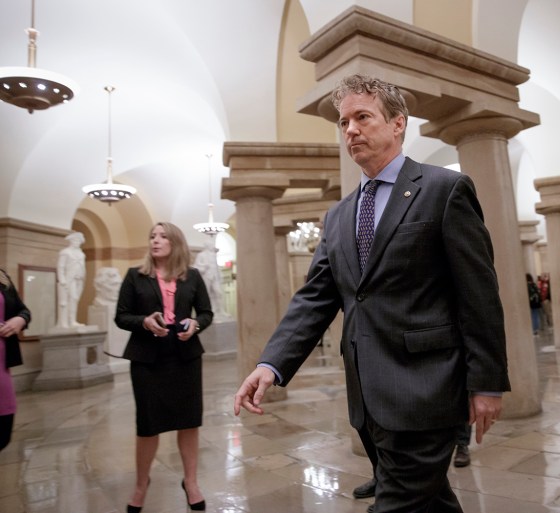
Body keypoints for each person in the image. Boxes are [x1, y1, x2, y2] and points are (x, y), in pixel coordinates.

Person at [234, 74, 510, 513]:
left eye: (363, 117)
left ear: (398, 123)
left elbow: (478, 293)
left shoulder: (443, 190)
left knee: (397, 503)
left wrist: (487, 382)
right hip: (366, 395)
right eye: (343, 122)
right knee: (431, 502)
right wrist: (271, 363)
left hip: (427, 389)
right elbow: (316, 297)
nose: (351, 130)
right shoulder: (340, 214)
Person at [116, 222, 213, 513]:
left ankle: (191, 482)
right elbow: (121, 317)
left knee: (188, 421)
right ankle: (141, 484)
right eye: (152, 236)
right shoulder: (135, 276)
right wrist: (144, 321)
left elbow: (206, 313)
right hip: (147, 359)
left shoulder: (192, 277)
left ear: (176, 243)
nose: (155, 241)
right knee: (148, 425)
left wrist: (196, 324)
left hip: (184, 357)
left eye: (162, 236)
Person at [0, 269, 31, 452]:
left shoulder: (2, 277)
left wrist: (20, 319)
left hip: (2, 366)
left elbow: (23, 310)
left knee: (3, 433)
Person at [56, 231, 86, 329]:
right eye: (75, 240)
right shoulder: (65, 252)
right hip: (70, 279)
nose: (77, 242)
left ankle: (73, 320)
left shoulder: (81, 254)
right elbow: (60, 267)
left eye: (79, 240)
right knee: (69, 300)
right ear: (71, 241)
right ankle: (68, 321)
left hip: (79, 279)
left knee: (75, 300)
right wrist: (62, 279)